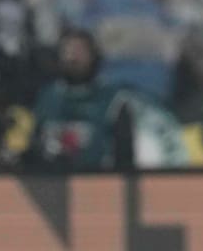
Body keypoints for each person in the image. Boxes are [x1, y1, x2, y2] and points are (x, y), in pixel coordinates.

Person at [23, 28, 134, 171]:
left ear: (94, 56)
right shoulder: (45, 97)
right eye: (68, 51)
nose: (73, 57)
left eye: (80, 51)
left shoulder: (113, 99)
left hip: (97, 179)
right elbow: (31, 143)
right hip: (51, 179)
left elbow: (125, 158)